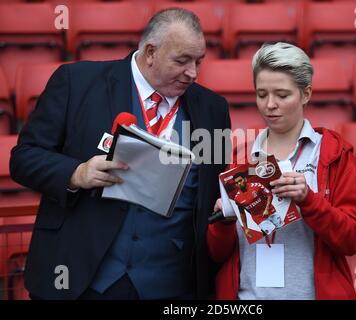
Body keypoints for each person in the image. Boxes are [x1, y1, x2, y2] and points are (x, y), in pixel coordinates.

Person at [10, 8, 230, 300]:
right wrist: (76, 173)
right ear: (150, 52)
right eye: (182, 61)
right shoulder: (77, 82)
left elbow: (215, 192)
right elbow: (24, 157)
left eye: (198, 61)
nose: (193, 72)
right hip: (81, 278)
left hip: (171, 284)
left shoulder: (213, 108)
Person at [207, 42, 356, 300]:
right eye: (261, 94)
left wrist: (309, 200)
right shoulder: (238, 156)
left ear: (306, 94)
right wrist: (223, 223)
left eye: (282, 95)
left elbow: (352, 239)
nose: (270, 104)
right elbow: (217, 253)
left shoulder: (333, 153)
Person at [232, 172, 276, 238]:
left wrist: (266, 209)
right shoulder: (237, 198)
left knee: (282, 227)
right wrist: (246, 228)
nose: (239, 183)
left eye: (240, 181)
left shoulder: (257, 185)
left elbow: (269, 195)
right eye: (236, 183)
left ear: (245, 179)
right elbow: (242, 213)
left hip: (270, 211)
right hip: (259, 218)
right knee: (271, 231)